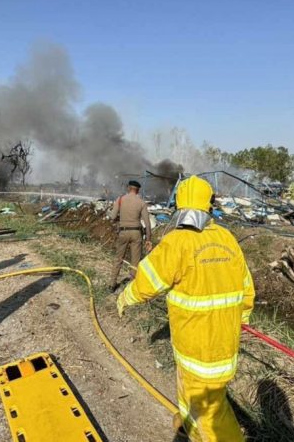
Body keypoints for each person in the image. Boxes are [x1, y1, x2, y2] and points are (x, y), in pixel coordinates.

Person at [117, 176, 255, 442]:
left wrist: (125, 298)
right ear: (209, 204)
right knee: (199, 394)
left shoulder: (177, 242)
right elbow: (247, 289)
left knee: (210, 414)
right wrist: (242, 320)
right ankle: (186, 425)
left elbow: (147, 282)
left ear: (179, 205)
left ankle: (201, 430)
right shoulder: (227, 239)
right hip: (225, 347)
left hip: (196, 350)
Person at [108, 180, 152, 291]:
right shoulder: (141, 202)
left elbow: (112, 217)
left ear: (128, 188)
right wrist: (148, 239)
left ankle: (112, 284)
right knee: (135, 261)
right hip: (136, 233)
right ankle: (131, 287)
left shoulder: (121, 199)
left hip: (123, 232)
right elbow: (147, 223)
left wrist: (120, 218)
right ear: (138, 190)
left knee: (119, 259)